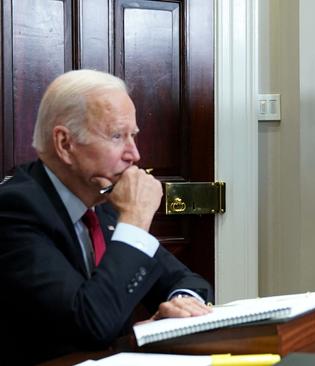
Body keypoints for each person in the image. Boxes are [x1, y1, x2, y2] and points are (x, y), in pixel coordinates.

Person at [0, 70, 214, 365]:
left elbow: (188, 280)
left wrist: (181, 303)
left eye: (133, 136)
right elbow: (91, 325)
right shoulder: (14, 210)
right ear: (65, 144)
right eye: (117, 136)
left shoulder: (102, 200)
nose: (135, 155)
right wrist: (136, 218)